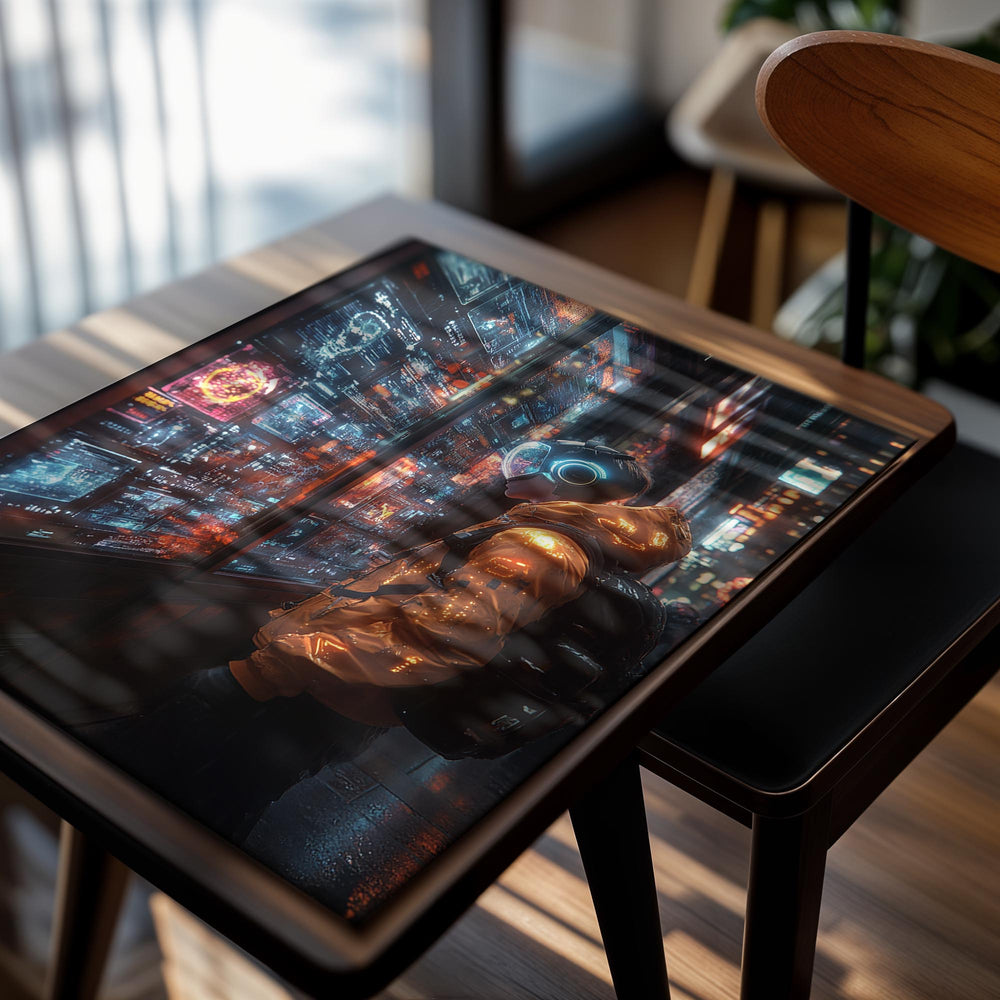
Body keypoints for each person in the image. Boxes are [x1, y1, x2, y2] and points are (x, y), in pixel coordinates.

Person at [78, 440, 692, 840]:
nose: (511, 474)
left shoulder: (536, 546)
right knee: (228, 790)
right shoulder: (540, 536)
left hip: (326, 688)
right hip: (345, 695)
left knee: (207, 774)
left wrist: (275, 671)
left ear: (572, 480)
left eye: (527, 467)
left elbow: (443, 640)